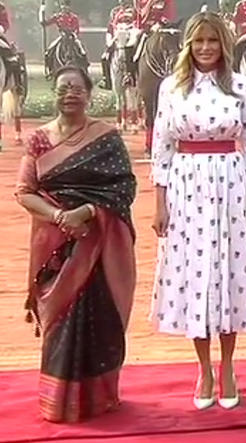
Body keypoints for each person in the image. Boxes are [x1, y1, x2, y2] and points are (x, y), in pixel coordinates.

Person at [150, 11, 246, 411]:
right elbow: (161, 147)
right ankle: (204, 369)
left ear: (224, 45)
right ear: (188, 45)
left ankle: (229, 365)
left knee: (228, 275)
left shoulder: (241, 86)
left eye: (212, 41)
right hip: (185, 187)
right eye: (198, 41)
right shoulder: (171, 87)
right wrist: (160, 202)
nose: (205, 48)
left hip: (231, 185)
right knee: (195, 277)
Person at [14, 66, 137, 422]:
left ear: (89, 93)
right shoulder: (38, 139)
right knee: (59, 320)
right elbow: (24, 191)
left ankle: (99, 398)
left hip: (98, 243)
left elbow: (124, 188)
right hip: (54, 244)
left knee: (99, 315)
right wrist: (60, 218)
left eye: (77, 88)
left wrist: (85, 212)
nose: (70, 93)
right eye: (63, 87)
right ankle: (59, 401)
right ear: (54, 92)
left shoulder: (106, 137)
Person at [40, 0, 88, 79]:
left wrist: (74, 34)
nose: (64, 7)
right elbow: (45, 23)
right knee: (49, 51)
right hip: (62, 36)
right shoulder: (58, 17)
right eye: (63, 5)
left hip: (72, 36)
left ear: (69, 7)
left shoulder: (74, 17)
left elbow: (77, 29)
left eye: (66, 6)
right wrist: (42, 11)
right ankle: (50, 70)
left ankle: (85, 69)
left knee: (82, 51)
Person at [100, 0, 138, 91]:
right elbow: (112, 25)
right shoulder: (115, 11)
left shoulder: (133, 11)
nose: (122, 2)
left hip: (130, 33)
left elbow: (136, 22)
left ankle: (132, 74)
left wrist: (128, 27)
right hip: (118, 34)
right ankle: (106, 80)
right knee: (104, 58)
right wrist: (110, 38)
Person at [0, 1, 23, 89]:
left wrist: (0, 29)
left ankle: (17, 83)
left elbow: (5, 23)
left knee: (9, 53)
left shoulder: (0, 7)